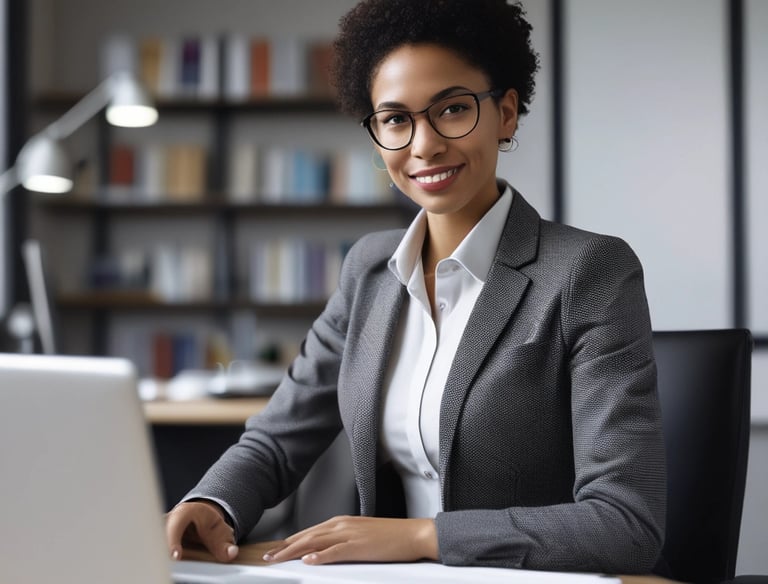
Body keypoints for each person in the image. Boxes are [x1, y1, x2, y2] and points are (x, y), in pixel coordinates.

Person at [165, 0, 666, 574]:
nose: (423, 144)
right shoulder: (369, 269)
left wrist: (424, 537)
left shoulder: (588, 272)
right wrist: (212, 502)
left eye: (452, 109)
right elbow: (278, 439)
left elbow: (625, 523)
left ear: (506, 114)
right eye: (396, 119)